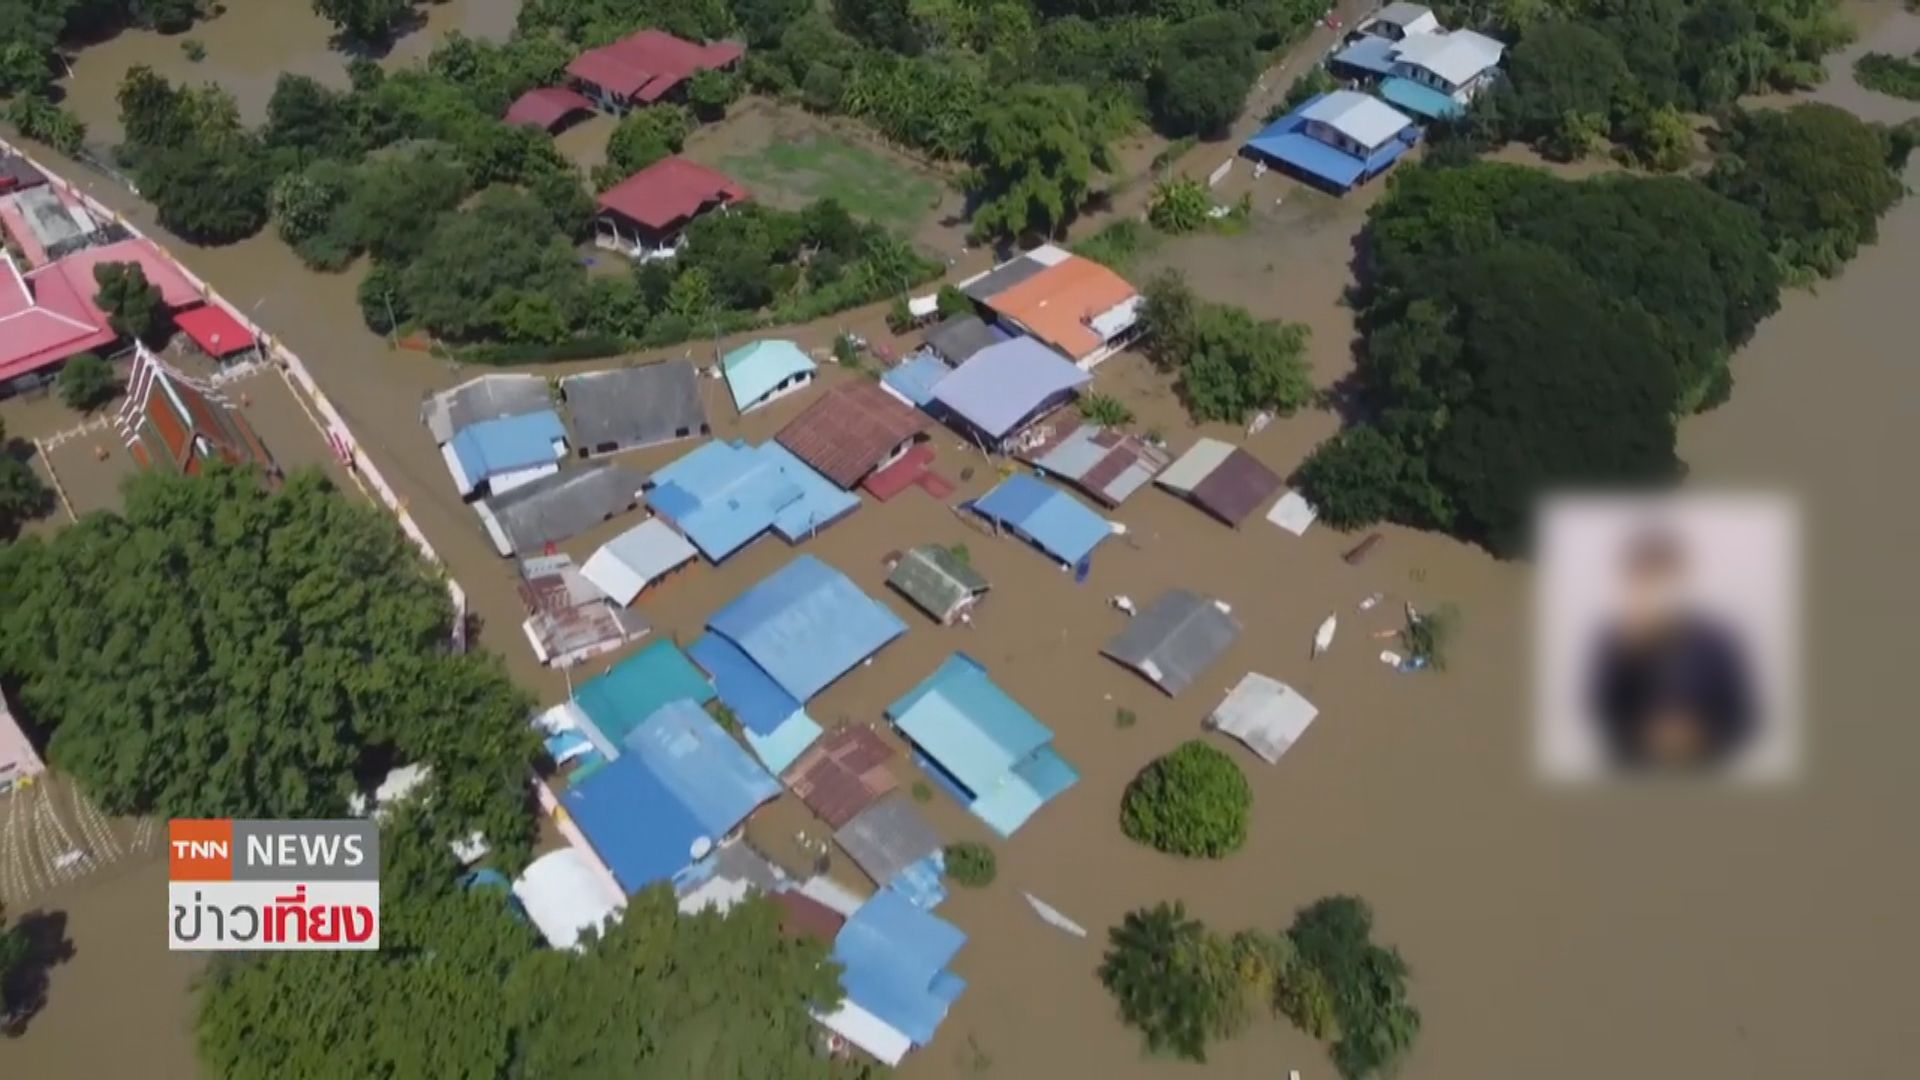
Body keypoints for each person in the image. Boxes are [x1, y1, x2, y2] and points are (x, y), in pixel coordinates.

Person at [1587, 528, 1755, 773]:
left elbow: (1744, 717)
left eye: (1664, 578)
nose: (1657, 590)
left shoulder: (1716, 641)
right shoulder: (1615, 643)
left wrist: (1702, 736)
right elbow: (1603, 718)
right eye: (1647, 578)